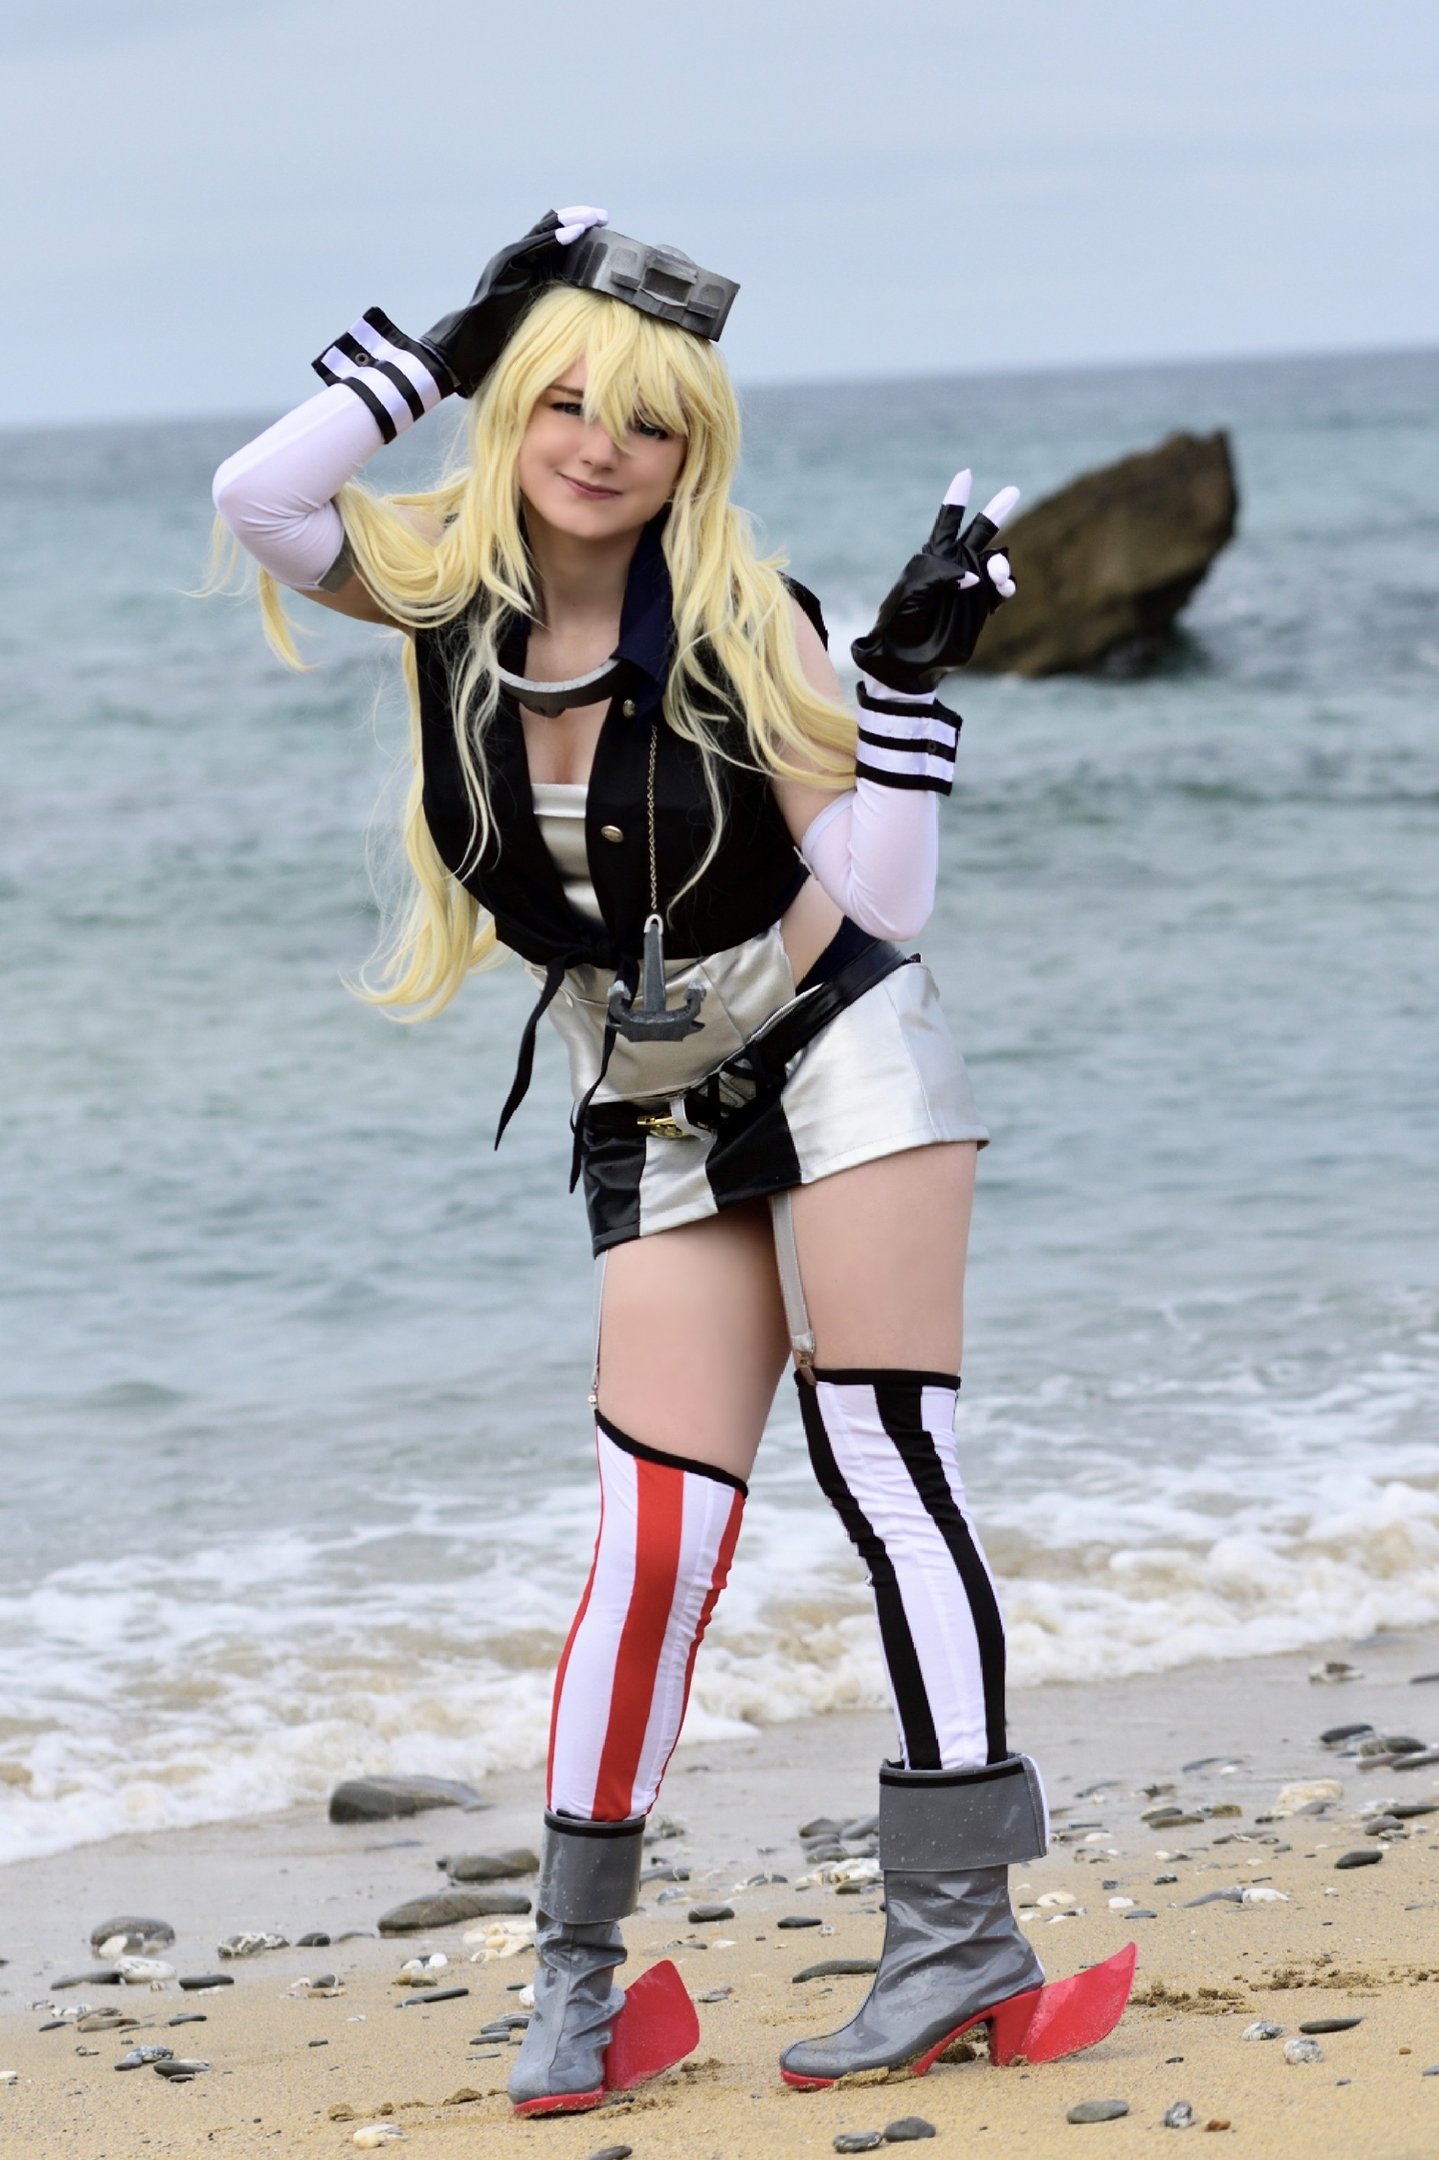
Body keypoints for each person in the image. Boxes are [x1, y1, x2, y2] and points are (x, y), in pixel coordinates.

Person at [210, 207, 1135, 2120]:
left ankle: (958, 1936)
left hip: (845, 1047)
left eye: (644, 417)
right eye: (560, 401)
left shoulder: (741, 614)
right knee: (653, 1544)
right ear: (508, 410)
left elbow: (878, 895)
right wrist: (445, 348)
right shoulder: (446, 595)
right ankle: (572, 1981)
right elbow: (259, 498)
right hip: (647, 1097)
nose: (598, 445)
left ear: (692, 446)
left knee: (885, 1462)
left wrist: (899, 695)